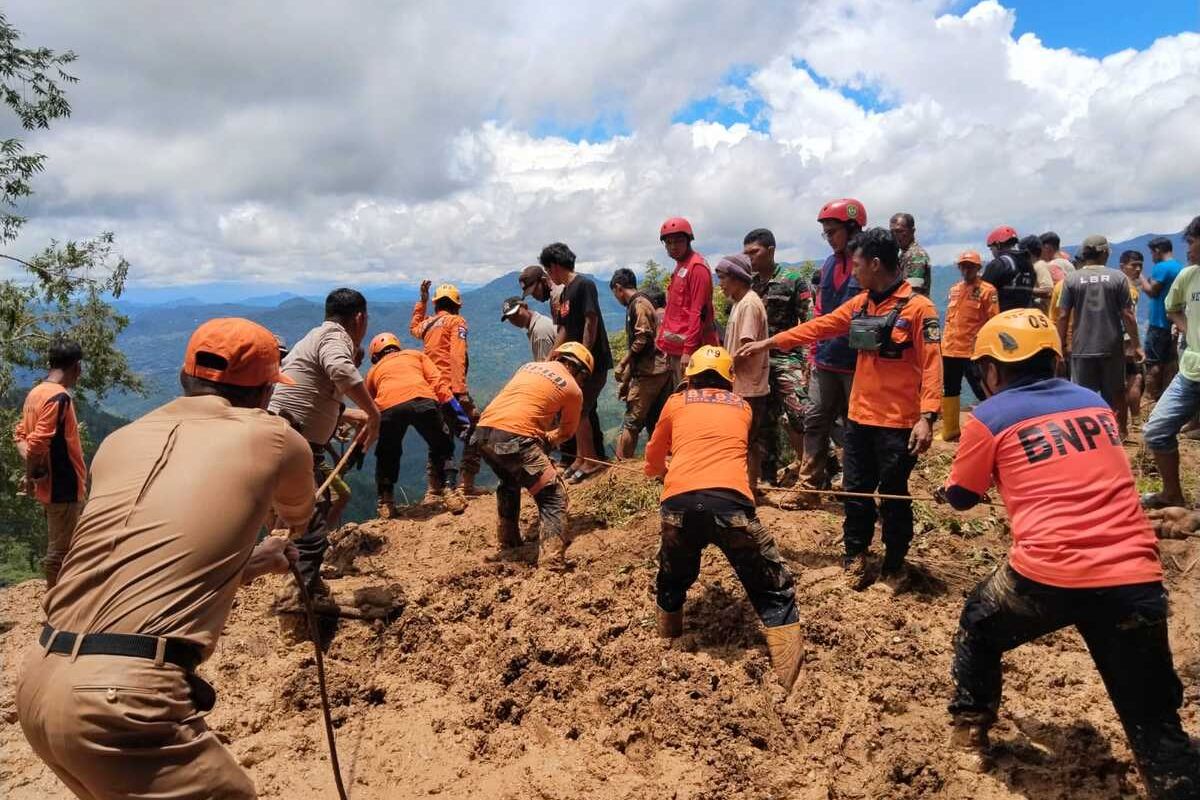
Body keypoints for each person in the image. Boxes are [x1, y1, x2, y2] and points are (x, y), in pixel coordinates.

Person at [17, 318, 315, 800]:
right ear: (265, 393)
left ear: (183, 377)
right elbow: (297, 514)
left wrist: (250, 563)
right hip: (121, 699)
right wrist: (275, 541)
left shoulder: (119, 440)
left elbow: (145, 563)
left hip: (37, 682)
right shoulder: (276, 437)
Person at [937, 309, 1200, 797]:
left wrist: (949, 490)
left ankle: (970, 730)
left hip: (1048, 572)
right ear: (1054, 360)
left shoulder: (989, 417)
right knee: (1155, 725)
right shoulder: (1094, 404)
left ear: (991, 370)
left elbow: (962, 497)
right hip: (1134, 575)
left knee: (979, 624)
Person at [740, 227, 941, 590]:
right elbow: (819, 327)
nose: (854, 272)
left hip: (898, 422)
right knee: (855, 490)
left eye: (858, 265)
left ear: (875, 264)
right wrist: (768, 343)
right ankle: (855, 557)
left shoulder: (918, 309)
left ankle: (894, 567)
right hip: (860, 418)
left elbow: (932, 365)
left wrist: (927, 417)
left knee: (893, 495)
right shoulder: (861, 304)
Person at [643, 345, 804, 692]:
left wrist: (661, 473)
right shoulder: (743, 407)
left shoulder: (675, 403)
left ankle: (667, 639)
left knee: (672, 575)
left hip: (679, 504)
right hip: (731, 504)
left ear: (690, 378)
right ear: (729, 381)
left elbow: (653, 457)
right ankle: (791, 679)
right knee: (771, 585)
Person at [269, 288, 380, 596]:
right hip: (295, 443)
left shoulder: (314, 336)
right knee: (311, 527)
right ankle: (298, 597)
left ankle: (305, 581)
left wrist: (347, 414)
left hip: (286, 438)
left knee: (306, 517)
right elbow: (340, 369)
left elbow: (313, 394)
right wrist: (374, 414)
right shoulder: (335, 336)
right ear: (360, 318)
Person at [474, 343, 591, 569]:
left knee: (509, 479)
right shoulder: (573, 388)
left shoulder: (528, 367)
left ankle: (508, 540)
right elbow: (566, 432)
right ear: (581, 373)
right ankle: (551, 563)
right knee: (553, 495)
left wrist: (537, 441)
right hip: (515, 439)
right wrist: (547, 440)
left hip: (483, 434)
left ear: (558, 357)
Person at [798, 198, 866, 496]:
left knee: (856, 427)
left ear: (852, 228)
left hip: (857, 363)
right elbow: (819, 312)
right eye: (825, 233)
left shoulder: (867, 263)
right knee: (815, 420)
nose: (828, 238)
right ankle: (809, 484)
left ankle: (855, 486)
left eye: (832, 232)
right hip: (825, 359)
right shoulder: (828, 265)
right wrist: (812, 353)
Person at [365, 332, 471, 518]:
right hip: (423, 401)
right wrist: (460, 417)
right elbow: (439, 385)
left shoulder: (373, 371)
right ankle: (449, 490)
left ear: (375, 355)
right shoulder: (416, 355)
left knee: (387, 453)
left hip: (389, 408)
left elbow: (370, 407)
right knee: (442, 446)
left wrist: (361, 441)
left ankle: (386, 502)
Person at [13, 339, 88, 587]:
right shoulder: (59, 397)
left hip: (50, 485)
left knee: (62, 545)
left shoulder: (35, 393)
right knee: (62, 552)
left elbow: (21, 436)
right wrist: (30, 473)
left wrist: (32, 473)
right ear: (77, 367)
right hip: (63, 486)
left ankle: (61, 598)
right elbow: (37, 444)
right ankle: (57, 602)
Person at [744, 227, 813, 486]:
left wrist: (809, 359)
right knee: (763, 421)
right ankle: (767, 476)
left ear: (771, 250)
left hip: (788, 358)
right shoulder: (749, 284)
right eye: (746, 253)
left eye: (754, 252)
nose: (750, 257)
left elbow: (809, 321)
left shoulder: (792, 279)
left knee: (799, 412)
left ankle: (824, 469)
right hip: (757, 362)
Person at [540, 242, 612, 482]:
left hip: (592, 362)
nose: (549, 275)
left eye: (548, 270)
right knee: (576, 409)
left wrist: (583, 354)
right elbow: (563, 329)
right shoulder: (565, 293)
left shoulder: (584, 285)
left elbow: (591, 320)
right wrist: (551, 357)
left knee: (581, 411)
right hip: (575, 363)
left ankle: (591, 461)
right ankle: (581, 458)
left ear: (555, 266)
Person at [1141, 217, 1200, 509]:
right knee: (1156, 430)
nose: (1187, 248)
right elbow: (1172, 308)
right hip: (1191, 370)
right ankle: (1171, 494)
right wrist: (1189, 331)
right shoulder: (1188, 276)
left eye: (1192, 242)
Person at [1055, 235, 1141, 427]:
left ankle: (1085, 432)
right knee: (1116, 393)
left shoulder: (1071, 279)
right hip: (1111, 347)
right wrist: (1136, 345)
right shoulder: (1118, 278)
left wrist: (1060, 347)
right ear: (1104, 253)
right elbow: (1128, 314)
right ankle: (1120, 432)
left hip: (1082, 347)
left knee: (1082, 396)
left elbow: (1063, 316)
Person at [410, 280, 482, 495]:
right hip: (450, 390)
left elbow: (414, 328)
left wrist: (421, 302)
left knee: (440, 436)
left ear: (436, 305)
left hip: (430, 390)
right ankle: (466, 483)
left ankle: (434, 489)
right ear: (457, 305)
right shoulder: (456, 321)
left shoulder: (428, 324)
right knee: (476, 429)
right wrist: (461, 392)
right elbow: (457, 356)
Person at [717, 254, 771, 492]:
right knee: (747, 439)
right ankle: (747, 487)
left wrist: (723, 369)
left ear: (737, 278)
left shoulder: (748, 304)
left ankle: (746, 488)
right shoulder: (740, 303)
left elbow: (746, 348)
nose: (720, 284)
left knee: (745, 440)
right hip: (744, 385)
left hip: (748, 387)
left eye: (723, 278)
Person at [609, 268, 670, 460]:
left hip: (649, 372)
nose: (616, 299)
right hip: (657, 369)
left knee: (631, 422)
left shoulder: (639, 304)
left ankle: (621, 466)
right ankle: (658, 461)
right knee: (656, 419)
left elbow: (642, 338)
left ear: (618, 288)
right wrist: (626, 381)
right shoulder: (642, 302)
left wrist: (622, 362)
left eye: (615, 293)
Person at [939, 250, 999, 441]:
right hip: (950, 349)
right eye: (963, 266)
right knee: (950, 388)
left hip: (972, 351)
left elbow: (994, 321)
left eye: (970, 266)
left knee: (982, 389)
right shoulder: (955, 289)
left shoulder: (987, 291)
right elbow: (950, 320)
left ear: (978, 268)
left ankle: (995, 429)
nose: (966, 270)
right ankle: (950, 430)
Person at [656, 217, 719, 386]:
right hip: (677, 350)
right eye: (668, 242)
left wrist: (688, 351)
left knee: (692, 394)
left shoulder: (696, 267)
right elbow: (675, 311)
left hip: (693, 351)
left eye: (678, 241)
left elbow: (698, 311)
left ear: (688, 240)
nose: (673, 246)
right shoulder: (680, 266)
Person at [1141, 236, 1184, 401]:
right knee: (1170, 363)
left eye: (1152, 253)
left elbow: (1153, 291)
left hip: (1158, 321)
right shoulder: (1179, 267)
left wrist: (1140, 277)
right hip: (1173, 322)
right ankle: (1167, 396)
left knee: (1154, 363)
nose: (1152, 257)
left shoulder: (1161, 267)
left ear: (1158, 251)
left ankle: (1149, 399)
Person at [1120, 250, 1147, 431]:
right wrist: (1135, 344)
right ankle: (1136, 420)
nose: (1137, 269)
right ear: (1123, 266)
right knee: (1135, 378)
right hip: (1127, 340)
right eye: (1133, 265)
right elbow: (1129, 317)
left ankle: (1123, 422)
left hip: (1112, 340)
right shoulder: (1129, 290)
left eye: (1140, 266)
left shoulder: (1114, 285)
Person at [982, 226, 1037, 311]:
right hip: (1024, 315)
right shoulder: (1029, 266)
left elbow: (982, 293)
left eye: (991, 248)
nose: (992, 252)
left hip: (1002, 316)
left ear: (998, 245)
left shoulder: (998, 264)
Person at [501, 296, 557, 361]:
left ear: (525, 306)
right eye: (509, 317)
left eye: (516, 313)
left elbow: (545, 365)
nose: (514, 319)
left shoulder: (539, 331)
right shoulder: (540, 321)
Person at [890, 212, 932, 297]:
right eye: (892, 232)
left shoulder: (916, 255)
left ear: (912, 231)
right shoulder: (903, 254)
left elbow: (912, 291)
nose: (895, 235)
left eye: (899, 231)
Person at [1021, 235, 1054, 312]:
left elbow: (1048, 291)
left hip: (1045, 314)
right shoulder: (1034, 266)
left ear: (1028, 252)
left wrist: (1023, 289)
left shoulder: (1039, 265)